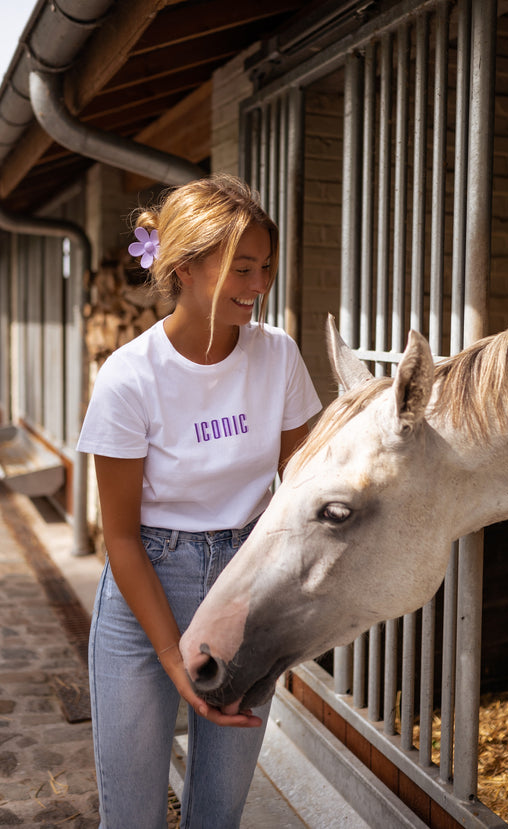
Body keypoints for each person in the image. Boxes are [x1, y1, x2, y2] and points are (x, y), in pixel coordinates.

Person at [77, 173, 322, 829]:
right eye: (242, 267)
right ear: (184, 267)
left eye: (266, 266)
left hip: (244, 586)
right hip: (147, 587)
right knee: (132, 819)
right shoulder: (130, 377)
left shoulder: (278, 357)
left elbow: (299, 488)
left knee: (218, 813)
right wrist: (169, 657)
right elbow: (120, 538)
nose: (259, 283)